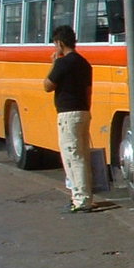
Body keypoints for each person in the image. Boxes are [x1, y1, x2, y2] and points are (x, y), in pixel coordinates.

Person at [43, 25, 94, 212]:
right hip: (83, 112)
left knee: (73, 157)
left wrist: (54, 63)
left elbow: (47, 86)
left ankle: (81, 200)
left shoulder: (63, 63)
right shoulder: (84, 63)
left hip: (67, 114)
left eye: (55, 44)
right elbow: (88, 90)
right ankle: (83, 196)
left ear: (59, 43)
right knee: (82, 156)